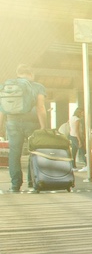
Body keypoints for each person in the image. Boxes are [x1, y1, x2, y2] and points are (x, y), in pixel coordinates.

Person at [0, 64, 48, 193]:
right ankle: (32, 182)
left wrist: (0, 127)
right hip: (32, 123)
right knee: (34, 152)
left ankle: (15, 185)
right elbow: (40, 107)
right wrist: (43, 126)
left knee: (14, 154)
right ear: (32, 74)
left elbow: (2, 109)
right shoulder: (38, 87)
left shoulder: (7, 86)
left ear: (18, 74)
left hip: (12, 123)